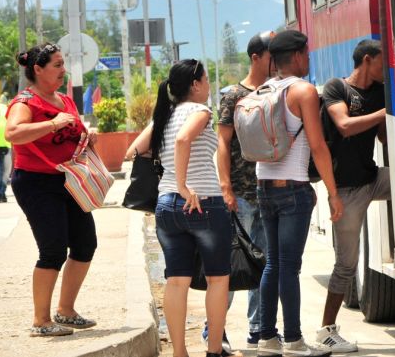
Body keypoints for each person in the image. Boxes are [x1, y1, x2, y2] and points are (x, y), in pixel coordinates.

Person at [126, 59, 238, 357]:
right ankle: (214, 350)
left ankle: (179, 352)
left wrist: (173, 179)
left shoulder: (164, 115)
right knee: (217, 278)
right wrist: (185, 184)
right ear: (195, 84)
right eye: (205, 79)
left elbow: (133, 150)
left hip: (166, 206)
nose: (208, 86)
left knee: (177, 280)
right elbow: (183, 139)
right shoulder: (200, 111)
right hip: (202, 203)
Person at [255, 30, 344, 357]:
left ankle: (267, 338)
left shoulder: (264, 89)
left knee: (273, 265)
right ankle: (293, 340)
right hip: (292, 190)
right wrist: (333, 193)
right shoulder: (303, 91)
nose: (308, 59)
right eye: (306, 54)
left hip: (264, 186)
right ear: (294, 56)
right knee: (289, 267)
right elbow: (318, 147)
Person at [4, 43, 99, 336]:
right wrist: (53, 125)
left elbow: (72, 132)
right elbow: (12, 133)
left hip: (67, 180)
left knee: (85, 244)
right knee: (53, 250)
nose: (63, 70)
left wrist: (87, 137)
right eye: (57, 65)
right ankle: (40, 321)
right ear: (38, 69)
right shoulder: (25, 102)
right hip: (36, 182)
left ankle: (66, 311)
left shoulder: (65, 100)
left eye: (62, 64)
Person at [316, 39, 388, 353]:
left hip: (373, 179)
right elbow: (344, 125)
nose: (386, 69)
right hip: (346, 191)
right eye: (382, 62)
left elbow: (385, 138)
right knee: (346, 265)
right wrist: (385, 112)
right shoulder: (336, 88)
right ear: (367, 60)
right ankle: (326, 331)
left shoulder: (380, 91)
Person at [214, 30, 276, 350]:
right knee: (231, 266)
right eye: (271, 56)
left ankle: (259, 328)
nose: (275, 61)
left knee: (263, 266)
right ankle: (216, 331)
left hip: (269, 193)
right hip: (238, 195)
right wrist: (225, 188)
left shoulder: (276, 92)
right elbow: (222, 143)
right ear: (256, 58)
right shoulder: (233, 96)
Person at [0, 95, 10, 203]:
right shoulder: (5, 108)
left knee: (1, 171)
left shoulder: (5, 108)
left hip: (5, 144)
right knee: (3, 172)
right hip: (5, 144)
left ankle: (1, 193)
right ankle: (1, 193)